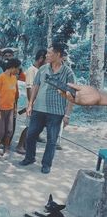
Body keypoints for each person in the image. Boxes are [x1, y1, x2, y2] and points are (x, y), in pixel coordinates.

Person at [19, 43, 75, 174]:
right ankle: (29, 157)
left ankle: (46, 164)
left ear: (58, 55)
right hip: (38, 110)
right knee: (31, 135)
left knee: (51, 140)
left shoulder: (68, 73)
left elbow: (72, 95)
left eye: (50, 53)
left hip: (56, 113)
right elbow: (36, 86)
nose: (47, 55)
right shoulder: (43, 69)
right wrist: (30, 104)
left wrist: (67, 115)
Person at [16, 49, 47, 154]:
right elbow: (29, 88)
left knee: (35, 126)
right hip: (33, 104)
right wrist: (31, 104)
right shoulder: (31, 70)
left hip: (39, 104)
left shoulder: (41, 70)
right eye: (46, 60)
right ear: (41, 59)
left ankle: (26, 144)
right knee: (29, 125)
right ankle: (20, 145)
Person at [0, 58, 20, 160]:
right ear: (12, 68)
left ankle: (6, 148)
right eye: (17, 69)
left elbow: (15, 94)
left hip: (10, 108)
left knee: (9, 130)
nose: (18, 71)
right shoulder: (0, 78)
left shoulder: (14, 78)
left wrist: (15, 107)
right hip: (0, 108)